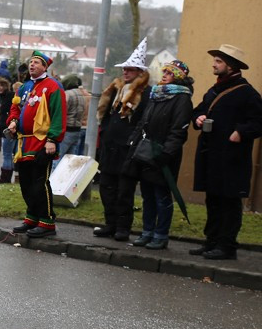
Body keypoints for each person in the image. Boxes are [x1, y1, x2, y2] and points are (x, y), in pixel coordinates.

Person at [189, 44, 262, 260]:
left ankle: (227, 246)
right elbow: (199, 111)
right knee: (213, 200)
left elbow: (258, 122)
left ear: (231, 66)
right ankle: (211, 241)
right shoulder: (213, 90)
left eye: (219, 61)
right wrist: (198, 118)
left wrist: (241, 131)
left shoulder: (247, 93)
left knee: (229, 203)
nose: (214, 64)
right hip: (210, 156)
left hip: (232, 159)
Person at [122, 60, 194, 250]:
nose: (164, 75)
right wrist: (133, 141)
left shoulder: (182, 99)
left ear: (177, 77)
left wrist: (167, 152)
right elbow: (144, 122)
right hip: (146, 152)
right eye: (164, 72)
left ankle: (160, 235)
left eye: (169, 73)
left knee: (161, 196)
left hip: (163, 156)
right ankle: (147, 232)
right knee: (147, 195)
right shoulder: (156, 94)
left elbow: (178, 130)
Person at [94, 39, 151, 241]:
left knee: (124, 191)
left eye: (130, 70)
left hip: (128, 150)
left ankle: (122, 227)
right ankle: (110, 223)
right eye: (125, 69)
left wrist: (131, 142)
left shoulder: (145, 94)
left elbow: (143, 120)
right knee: (106, 188)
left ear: (139, 72)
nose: (126, 73)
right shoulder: (117, 90)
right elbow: (108, 114)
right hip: (110, 149)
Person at [5, 51, 67, 238]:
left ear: (45, 67)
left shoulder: (53, 87)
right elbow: (15, 108)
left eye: (36, 62)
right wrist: (13, 121)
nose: (32, 65)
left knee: (40, 183)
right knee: (26, 183)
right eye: (30, 62)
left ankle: (47, 221)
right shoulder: (24, 87)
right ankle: (32, 217)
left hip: (42, 142)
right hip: (25, 142)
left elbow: (58, 114)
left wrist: (52, 139)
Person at [52, 74, 87, 170]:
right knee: (70, 160)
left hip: (66, 130)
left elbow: (61, 112)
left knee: (57, 158)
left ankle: (53, 182)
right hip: (77, 130)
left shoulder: (67, 94)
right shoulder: (81, 94)